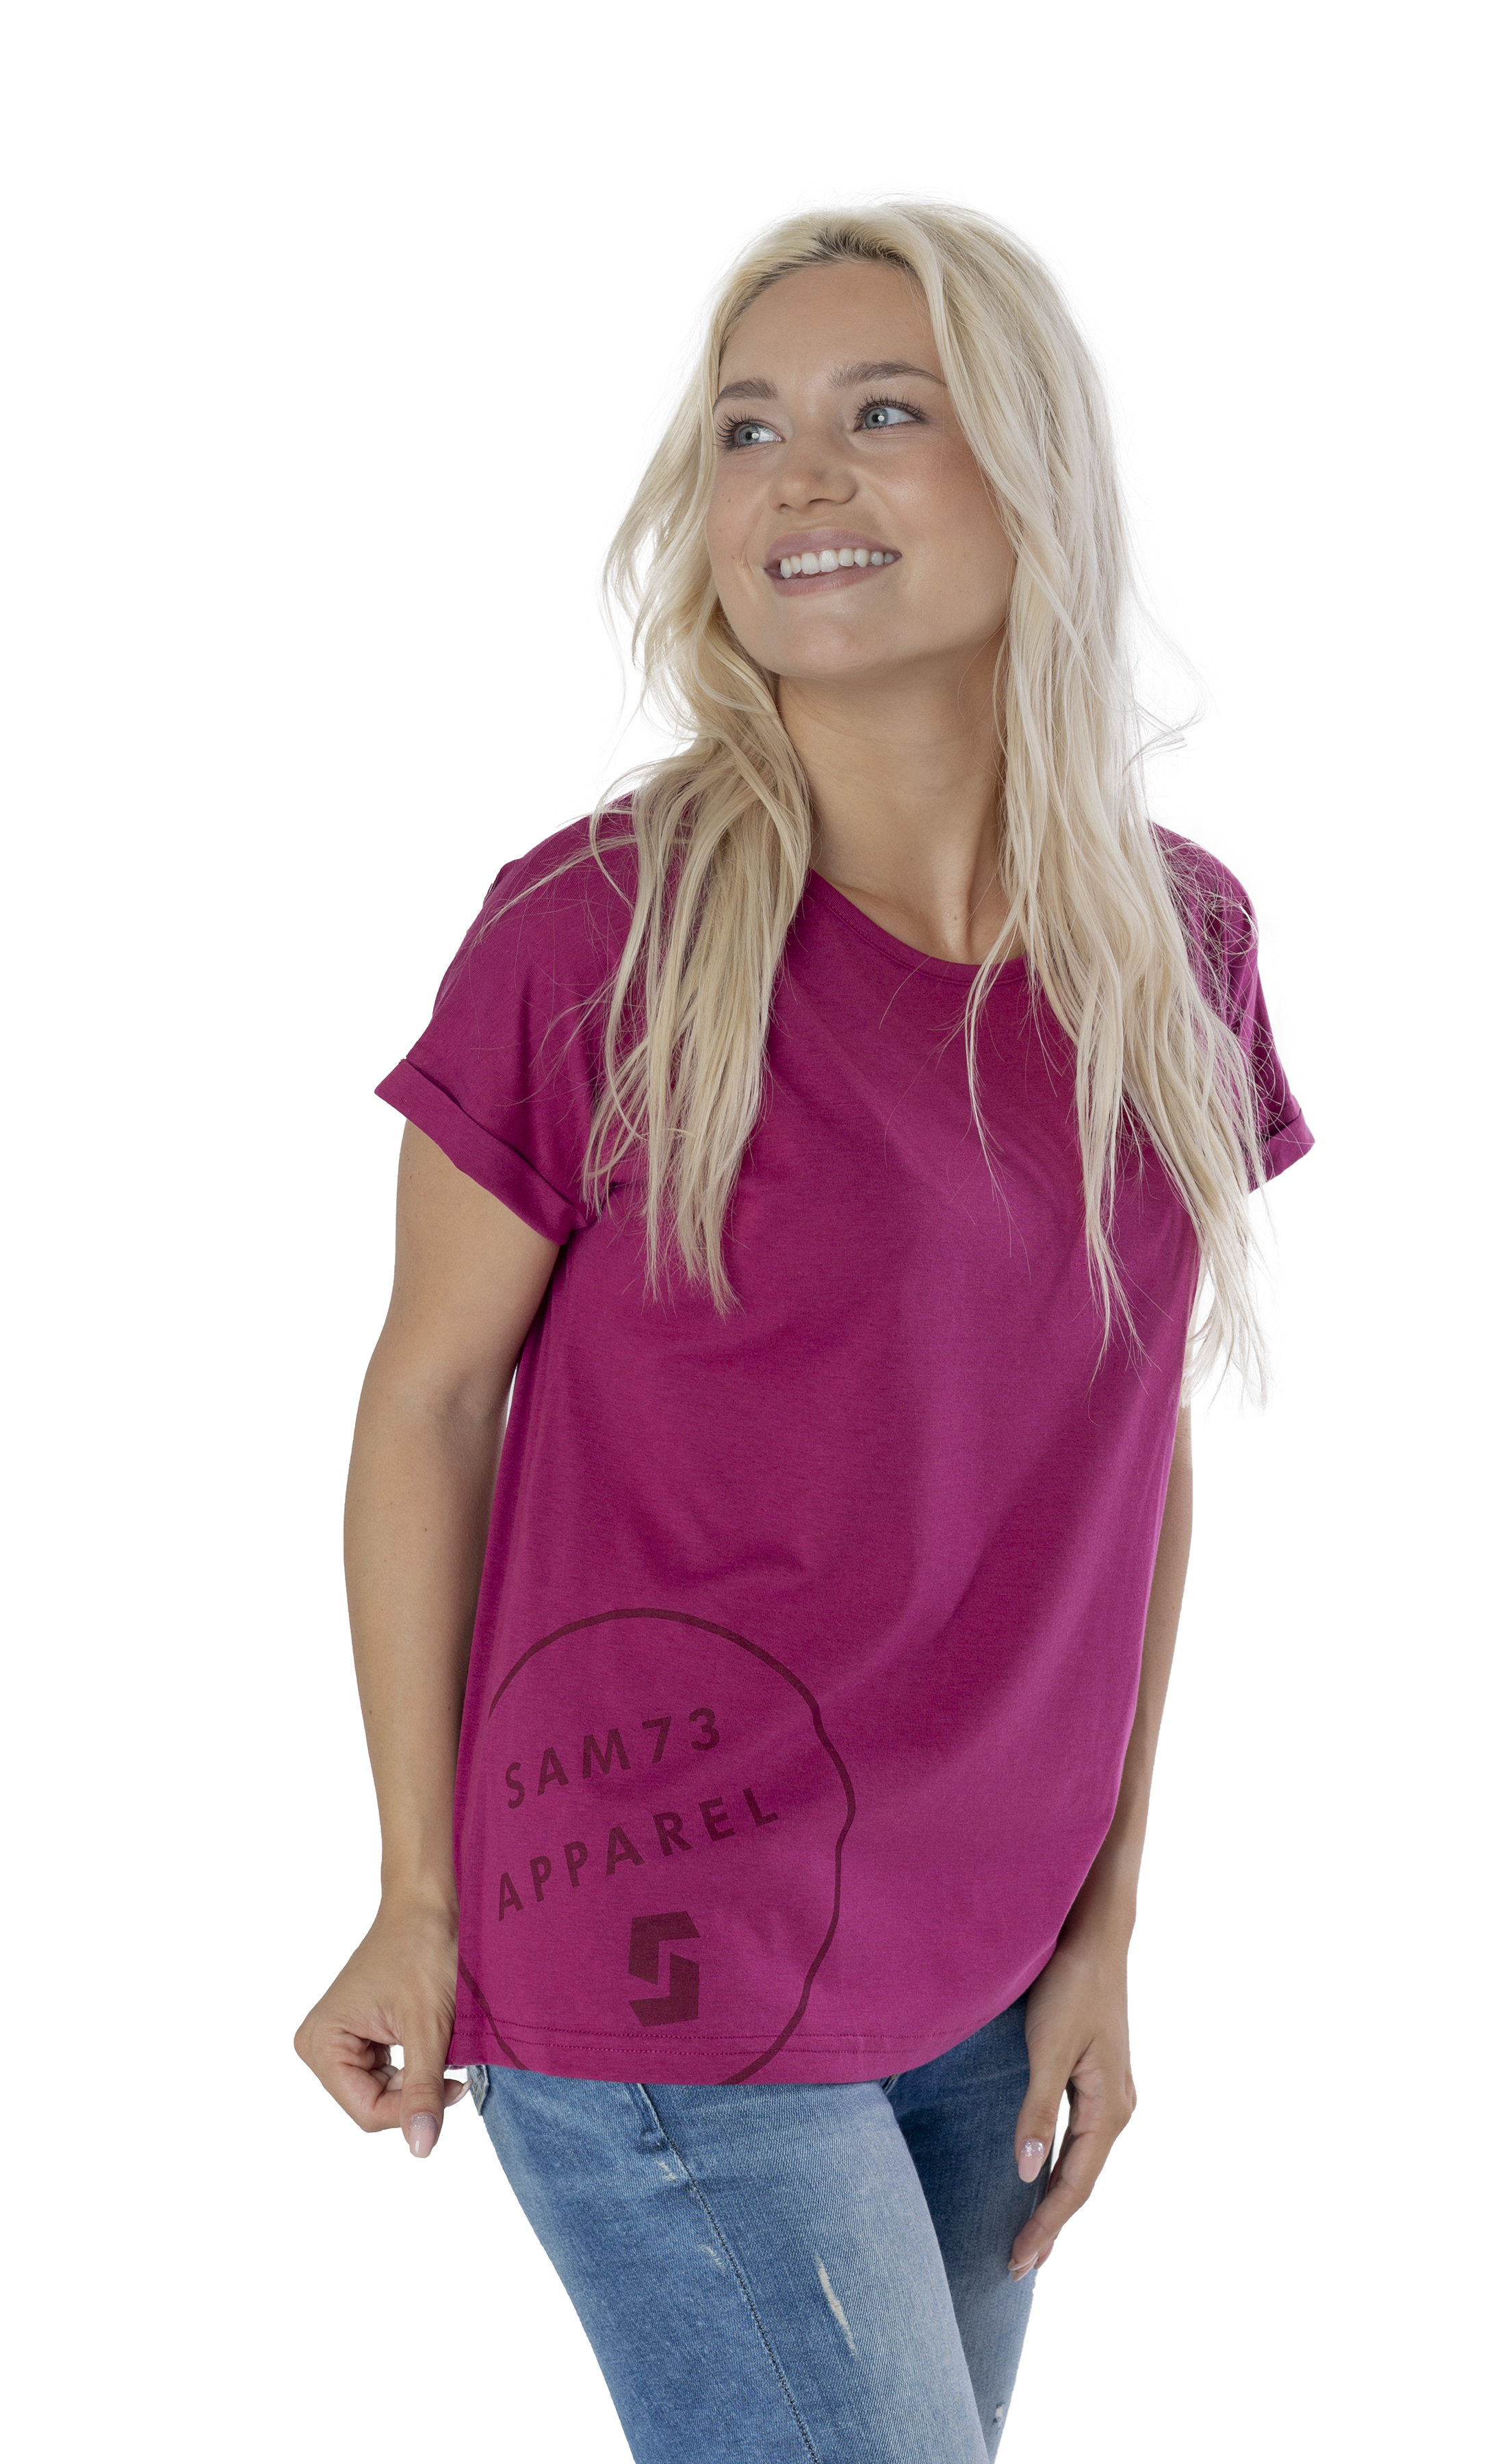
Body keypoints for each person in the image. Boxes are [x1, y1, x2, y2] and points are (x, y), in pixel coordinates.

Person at [294, 201, 1312, 2464]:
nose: (799, 478)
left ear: (1034, 480)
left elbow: (1127, 1452)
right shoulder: (600, 933)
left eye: (884, 412)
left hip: (984, 1952)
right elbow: (428, 1400)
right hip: (659, 1934)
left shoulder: (1178, 948)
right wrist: (416, 1894)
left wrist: (1107, 1929)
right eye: (748, 431)